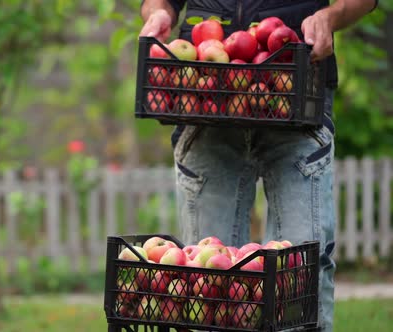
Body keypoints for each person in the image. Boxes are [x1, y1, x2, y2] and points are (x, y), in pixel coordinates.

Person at [138, 1, 378, 331]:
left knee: (300, 279)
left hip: (296, 91)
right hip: (205, 99)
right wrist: (158, 13)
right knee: (206, 286)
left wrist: (328, 17)